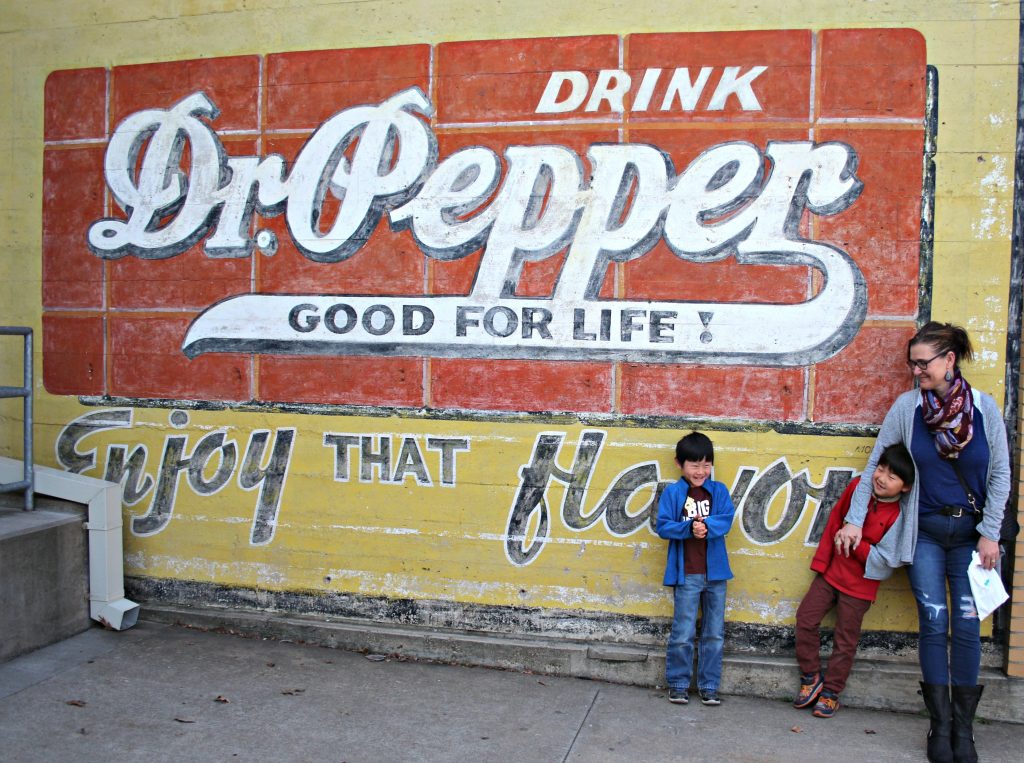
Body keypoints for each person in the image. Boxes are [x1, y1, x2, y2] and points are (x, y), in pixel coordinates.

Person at [834, 322, 1010, 763]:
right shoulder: (907, 408)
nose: (916, 371)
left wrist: (991, 532)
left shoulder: (985, 411)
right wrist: (855, 521)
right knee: (934, 623)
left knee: (968, 627)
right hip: (926, 534)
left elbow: (1001, 475)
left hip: (972, 537)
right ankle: (940, 724)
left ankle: (964, 731)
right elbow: (875, 463)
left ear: (949, 360)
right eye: (912, 363)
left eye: (923, 362)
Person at [793, 443, 915, 719]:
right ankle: (811, 678)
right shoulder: (858, 489)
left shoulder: (898, 516)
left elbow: (886, 561)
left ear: (905, 487)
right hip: (830, 575)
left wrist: (857, 543)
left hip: (861, 587)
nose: (881, 478)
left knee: (845, 640)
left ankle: (832, 692)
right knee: (805, 619)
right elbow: (835, 523)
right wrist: (822, 564)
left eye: (892, 477)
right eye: (881, 469)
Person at [656, 431, 736, 706]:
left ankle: (709, 685)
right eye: (694, 465)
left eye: (706, 464)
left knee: (714, 633)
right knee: (683, 632)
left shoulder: (719, 491)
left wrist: (707, 527)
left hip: (716, 575)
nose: (701, 471)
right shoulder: (673, 493)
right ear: (680, 464)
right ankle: (678, 683)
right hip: (687, 574)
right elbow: (663, 526)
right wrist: (689, 528)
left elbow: (726, 520)